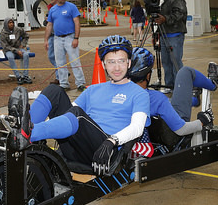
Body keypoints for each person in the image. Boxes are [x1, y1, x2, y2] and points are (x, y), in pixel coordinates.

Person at [8, 35, 150, 175]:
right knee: (55, 91)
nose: (117, 67)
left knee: (77, 114)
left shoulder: (139, 93)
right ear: (103, 64)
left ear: (129, 63)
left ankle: (28, 134)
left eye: (121, 61)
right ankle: (22, 128)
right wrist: (48, 125)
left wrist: (112, 141)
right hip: (77, 146)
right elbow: (66, 117)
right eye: (111, 62)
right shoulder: (93, 90)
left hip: (105, 150)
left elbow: (137, 128)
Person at [129, 47, 218, 141]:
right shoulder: (157, 99)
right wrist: (203, 120)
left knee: (170, 102)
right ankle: (212, 84)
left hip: (146, 137)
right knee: (185, 72)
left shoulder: (117, 93)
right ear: (148, 75)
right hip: (173, 134)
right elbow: (182, 130)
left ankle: (193, 100)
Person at [44, 0, 86, 91]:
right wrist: (46, 40)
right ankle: (64, 83)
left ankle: (80, 83)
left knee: (74, 61)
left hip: (70, 37)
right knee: (60, 62)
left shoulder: (71, 7)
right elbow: (49, 25)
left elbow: (77, 22)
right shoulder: (53, 10)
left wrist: (76, 38)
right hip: (57, 38)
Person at [154, 0, 187, 88]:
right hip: (165, 36)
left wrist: (165, 19)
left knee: (175, 62)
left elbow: (179, 15)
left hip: (175, 35)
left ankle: (179, 86)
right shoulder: (166, 2)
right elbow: (162, 20)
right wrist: (157, 34)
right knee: (166, 63)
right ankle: (169, 86)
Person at [0, 17, 31, 84]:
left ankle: (25, 76)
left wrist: (23, 44)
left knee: (26, 55)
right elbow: (5, 46)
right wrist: (16, 51)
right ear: (6, 24)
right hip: (9, 50)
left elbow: (26, 36)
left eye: (12, 22)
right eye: (9, 23)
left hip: (19, 48)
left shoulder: (18, 30)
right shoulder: (3, 33)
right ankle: (18, 76)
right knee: (10, 57)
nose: (11, 24)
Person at [45, 0, 59, 84]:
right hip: (51, 35)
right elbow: (47, 23)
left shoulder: (61, 7)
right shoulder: (50, 8)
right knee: (51, 56)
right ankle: (62, 72)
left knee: (58, 57)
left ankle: (59, 76)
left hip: (58, 35)